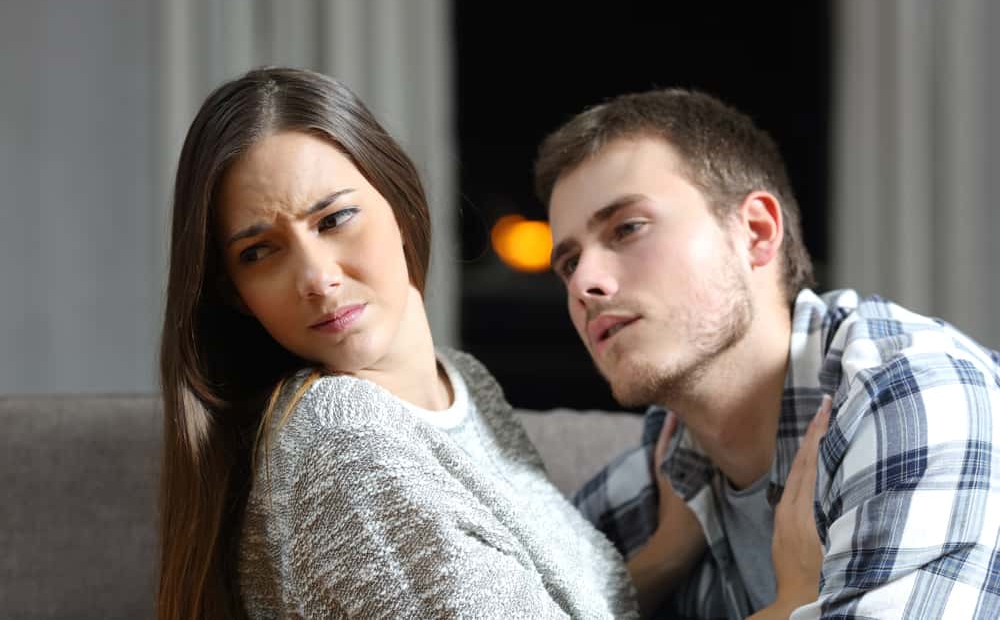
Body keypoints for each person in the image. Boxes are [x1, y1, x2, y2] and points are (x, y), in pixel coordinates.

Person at [156, 67, 638, 618]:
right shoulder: (341, 440)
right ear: (236, 294)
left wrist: (677, 539)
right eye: (259, 252)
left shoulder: (464, 383)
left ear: (401, 204)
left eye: (334, 219)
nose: (317, 278)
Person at [534, 88, 1000, 619]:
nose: (584, 283)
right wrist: (659, 564)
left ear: (756, 233)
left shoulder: (914, 392)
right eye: (569, 263)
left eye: (628, 228)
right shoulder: (673, 465)